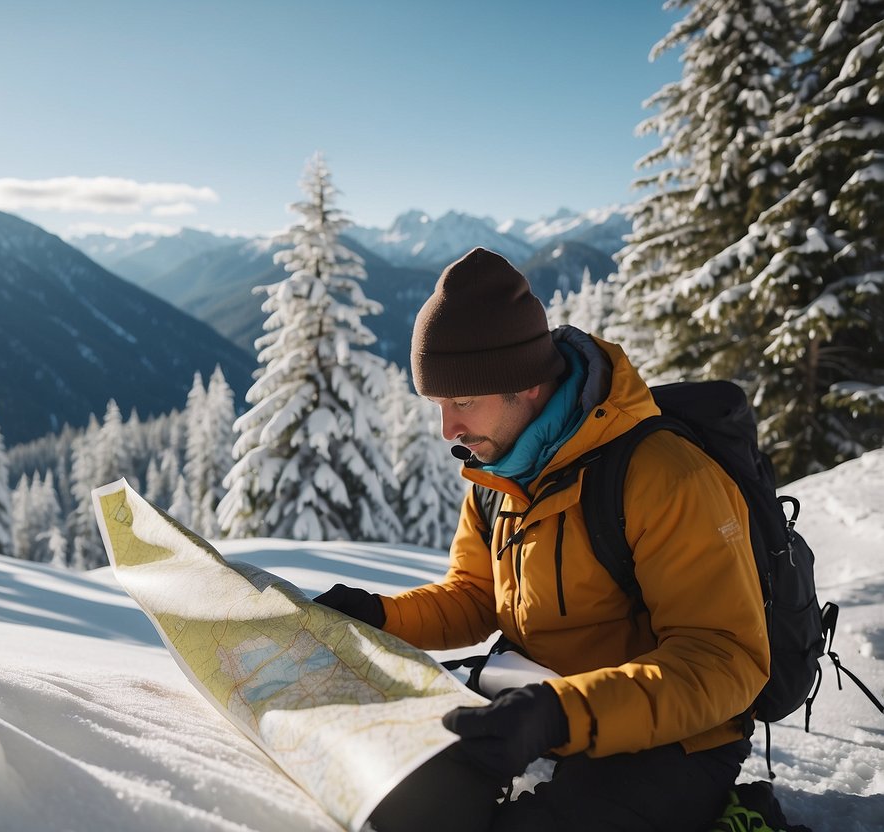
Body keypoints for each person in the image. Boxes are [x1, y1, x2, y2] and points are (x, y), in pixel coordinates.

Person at [316, 247, 771, 832]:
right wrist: (378, 615)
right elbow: (476, 597)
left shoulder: (663, 475)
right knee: (401, 799)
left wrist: (563, 713)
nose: (448, 430)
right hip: (533, 701)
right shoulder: (497, 477)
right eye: (438, 405)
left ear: (524, 385)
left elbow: (724, 660)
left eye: (461, 402)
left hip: (671, 736)